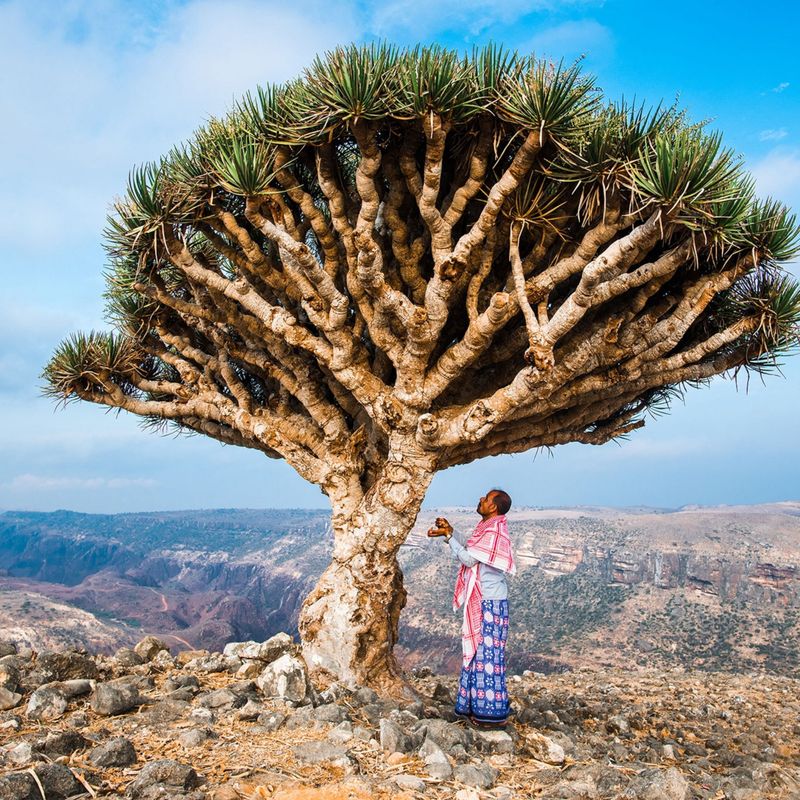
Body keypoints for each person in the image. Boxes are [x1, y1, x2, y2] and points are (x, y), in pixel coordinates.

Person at [427, 489, 516, 727]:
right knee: (478, 654)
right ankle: (472, 708)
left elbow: (468, 559)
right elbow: (472, 550)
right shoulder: (487, 527)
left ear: (493, 507)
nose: (480, 499)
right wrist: (450, 532)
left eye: (486, 499)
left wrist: (448, 538)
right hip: (486, 600)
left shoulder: (494, 530)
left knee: (487, 656)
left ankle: (490, 714)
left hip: (490, 602)